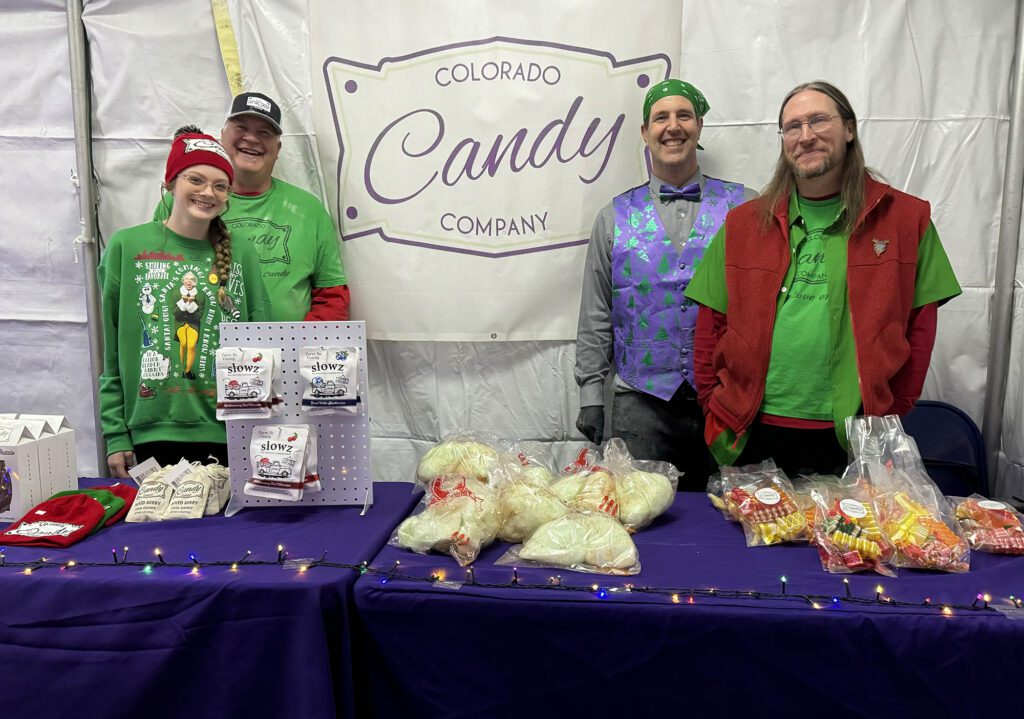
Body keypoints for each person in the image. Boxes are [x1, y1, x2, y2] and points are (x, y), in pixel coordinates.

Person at [685, 80, 961, 478]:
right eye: (792, 127)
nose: (806, 135)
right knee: (752, 540)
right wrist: (713, 403)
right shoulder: (743, 224)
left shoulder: (905, 220)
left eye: (818, 120)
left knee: (847, 541)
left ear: (848, 129)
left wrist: (890, 411)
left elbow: (921, 327)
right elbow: (710, 325)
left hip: (855, 438)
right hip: (750, 433)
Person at [574, 79, 756, 490]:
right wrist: (590, 395)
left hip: (729, 401)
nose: (672, 126)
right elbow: (596, 312)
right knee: (643, 522)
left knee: (735, 522)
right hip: (640, 405)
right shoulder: (613, 217)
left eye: (683, 115)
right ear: (645, 131)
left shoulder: (746, 208)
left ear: (699, 126)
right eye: (661, 117)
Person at [99, 126, 271, 477]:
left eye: (219, 185)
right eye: (196, 179)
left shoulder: (243, 253)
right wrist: (116, 433)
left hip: (228, 433)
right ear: (171, 184)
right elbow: (112, 351)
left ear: (228, 195)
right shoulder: (126, 247)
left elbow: (262, 345)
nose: (208, 192)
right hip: (150, 433)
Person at [155, 92, 349, 322]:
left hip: (288, 353)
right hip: (202, 351)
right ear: (221, 136)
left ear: (278, 149)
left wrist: (300, 347)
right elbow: (158, 280)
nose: (251, 138)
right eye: (241, 127)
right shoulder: (181, 202)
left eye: (264, 132)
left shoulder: (308, 210)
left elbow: (332, 295)